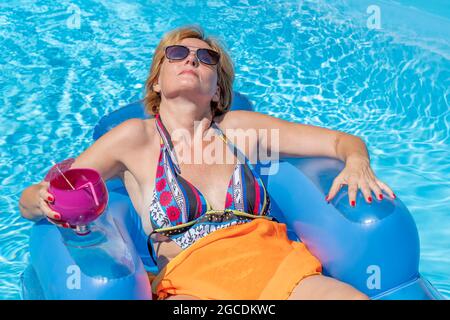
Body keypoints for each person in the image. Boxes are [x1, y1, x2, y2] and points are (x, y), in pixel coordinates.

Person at [19, 25, 395, 300]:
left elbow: (341, 141)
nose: (192, 61)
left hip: (279, 266)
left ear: (217, 88)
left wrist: (357, 161)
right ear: (157, 81)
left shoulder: (239, 129)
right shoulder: (135, 137)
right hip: (190, 282)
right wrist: (39, 200)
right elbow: (47, 194)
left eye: (205, 58)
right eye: (178, 55)